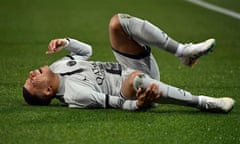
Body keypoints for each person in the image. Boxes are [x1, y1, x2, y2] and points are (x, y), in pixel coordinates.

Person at [23, 13, 235, 113]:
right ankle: (203, 102)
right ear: (49, 91)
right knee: (135, 79)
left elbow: (86, 51)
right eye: (32, 82)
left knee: (116, 23)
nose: (31, 74)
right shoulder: (74, 95)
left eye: (29, 77)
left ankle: (183, 52)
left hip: (133, 67)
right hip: (131, 90)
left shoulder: (58, 66)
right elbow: (114, 102)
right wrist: (139, 105)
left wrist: (66, 42)